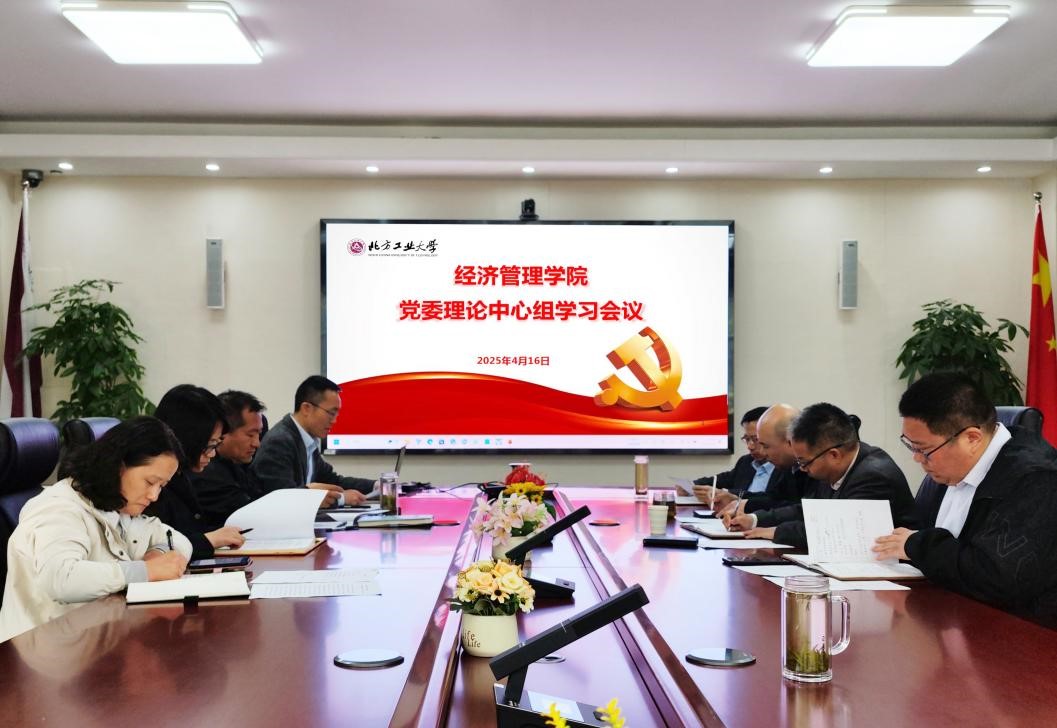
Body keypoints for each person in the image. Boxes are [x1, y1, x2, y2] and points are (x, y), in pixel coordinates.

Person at [873, 371, 1057, 626]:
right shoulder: (949, 469)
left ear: (972, 438)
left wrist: (917, 545)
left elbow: (997, 578)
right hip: (954, 615)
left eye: (924, 449)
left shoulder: (1035, 479)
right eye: (911, 446)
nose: (917, 458)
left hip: (1023, 633)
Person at [0, 417, 193, 642]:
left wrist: (157, 555)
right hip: (43, 650)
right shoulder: (58, 508)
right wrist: (145, 571)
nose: (154, 495)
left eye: (162, 486)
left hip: (93, 638)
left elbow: (179, 540)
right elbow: (61, 579)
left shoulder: (117, 506)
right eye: (150, 482)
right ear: (118, 465)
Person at [729, 402, 916, 548]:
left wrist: (776, 532)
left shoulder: (873, 476)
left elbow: (837, 532)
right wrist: (755, 520)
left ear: (833, 455)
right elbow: (808, 510)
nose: (802, 469)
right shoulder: (830, 467)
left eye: (804, 463)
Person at [145, 384, 246, 559]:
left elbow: (189, 530)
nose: (213, 454)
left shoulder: (181, 475)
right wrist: (208, 540)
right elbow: (154, 548)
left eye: (216, 444)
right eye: (210, 445)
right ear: (189, 438)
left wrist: (217, 536)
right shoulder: (154, 483)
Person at [251, 375, 375, 506]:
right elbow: (284, 498)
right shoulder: (279, 442)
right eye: (331, 413)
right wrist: (342, 499)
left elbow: (332, 480)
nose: (334, 421)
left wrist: (376, 486)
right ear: (306, 408)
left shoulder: (307, 440)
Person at [719, 403, 818, 524]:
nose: (764, 453)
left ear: (790, 441)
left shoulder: (817, 469)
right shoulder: (789, 466)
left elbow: (804, 512)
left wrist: (755, 519)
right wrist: (743, 504)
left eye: (766, 446)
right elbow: (775, 499)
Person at [191, 390, 267, 530]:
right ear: (223, 432)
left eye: (259, 434)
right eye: (250, 435)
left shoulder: (234, 464)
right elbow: (256, 515)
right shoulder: (205, 471)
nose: (257, 443)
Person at [684, 406, 774, 504]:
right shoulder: (746, 461)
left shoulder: (783, 466)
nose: (750, 446)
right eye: (747, 439)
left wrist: (730, 494)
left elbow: (772, 500)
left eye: (755, 439)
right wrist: (692, 486)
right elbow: (723, 479)